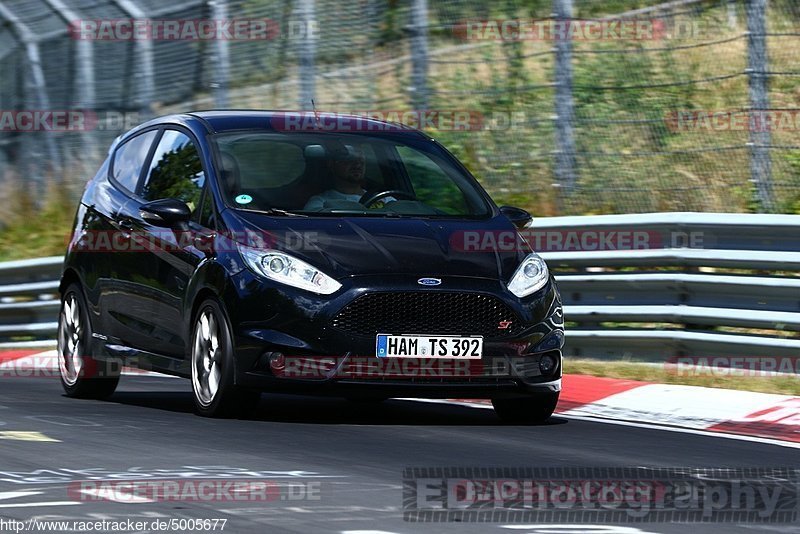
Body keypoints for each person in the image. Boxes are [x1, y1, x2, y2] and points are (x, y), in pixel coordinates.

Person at [304, 144, 393, 211]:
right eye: (349, 160)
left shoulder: (384, 199)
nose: (357, 165)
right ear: (331, 164)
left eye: (361, 161)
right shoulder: (320, 204)